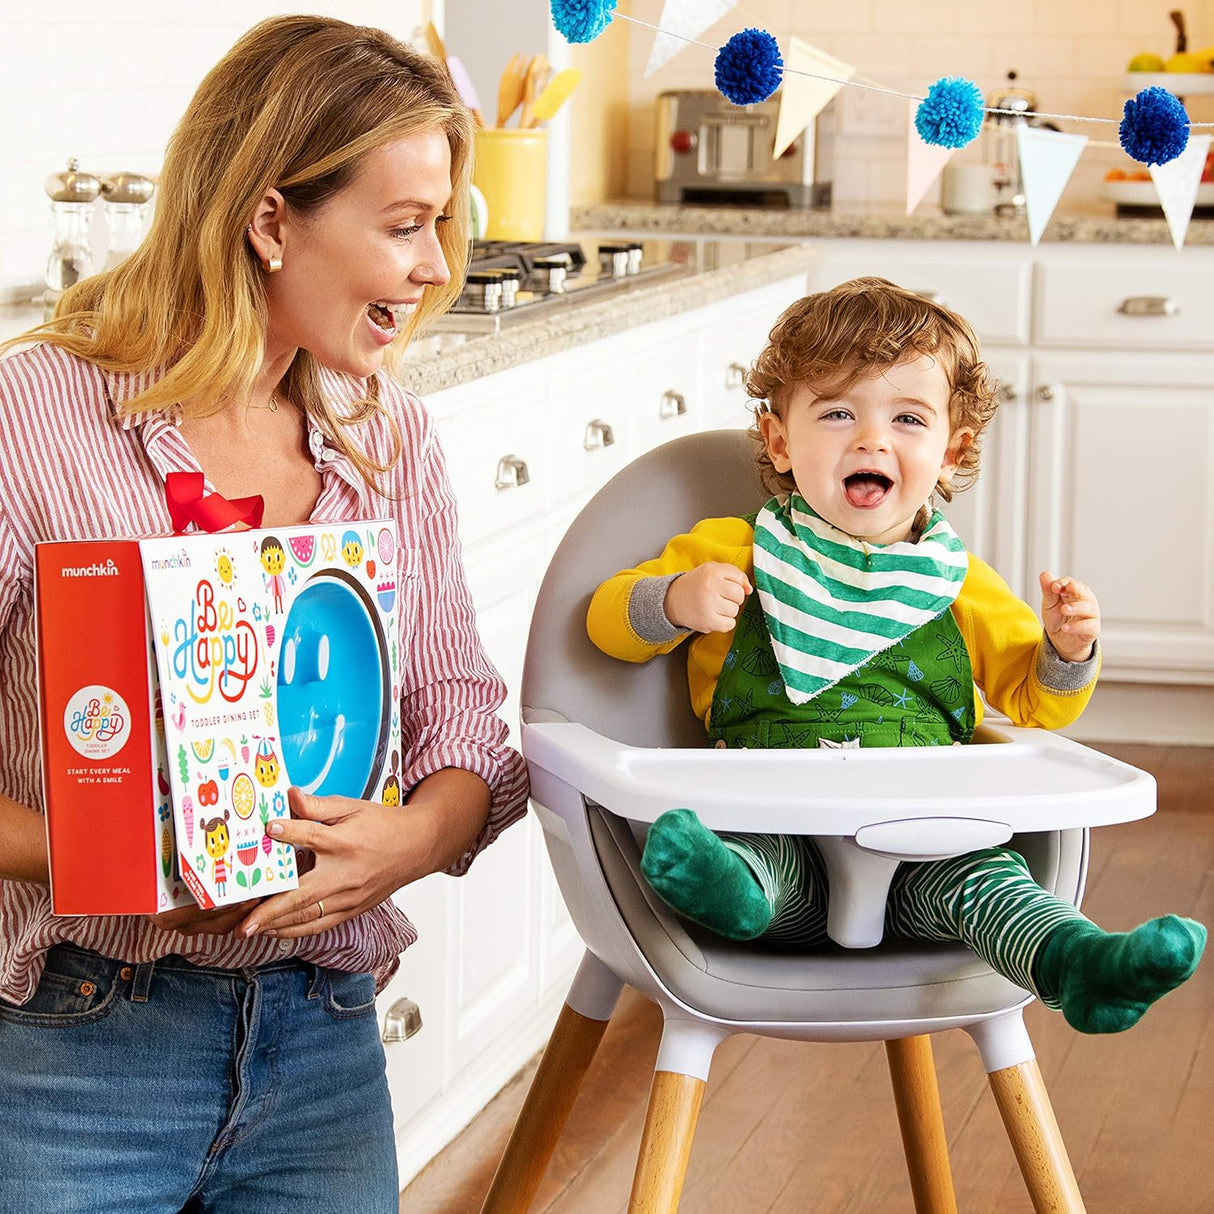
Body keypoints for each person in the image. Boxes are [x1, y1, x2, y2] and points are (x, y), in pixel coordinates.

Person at [0, 16, 528, 1213]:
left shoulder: (387, 432)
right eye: (402, 226)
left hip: (322, 1036)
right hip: (77, 1043)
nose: (436, 264)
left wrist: (412, 839)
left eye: (441, 224)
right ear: (271, 218)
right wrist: (119, 856)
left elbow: (458, 718)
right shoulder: (33, 414)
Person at [587, 277, 1204, 1037]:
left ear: (952, 451)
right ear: (780, 441)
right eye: (838, 413)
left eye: (907, 418)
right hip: (776, 826)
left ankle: (1079, 965)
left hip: (922, 844)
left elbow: (1034, 701)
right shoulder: (734, 548)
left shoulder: (958, 582)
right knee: (747, 856)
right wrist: (674, 600)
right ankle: (731, 894)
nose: (871, 441)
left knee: (989, 882)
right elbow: (604, 623)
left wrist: (1067, 649)